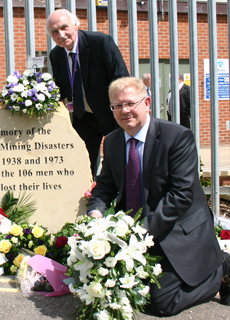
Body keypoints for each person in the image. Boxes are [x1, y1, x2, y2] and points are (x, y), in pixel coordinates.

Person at [87, 76, 228, 316]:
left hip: (175, 231)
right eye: (117, 106)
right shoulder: (112, 142)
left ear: (147, 103)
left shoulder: (177, 137)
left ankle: (221, 267)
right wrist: (95, 213)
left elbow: (181, 196)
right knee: (118, 293)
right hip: (136, 233)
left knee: (161, 303)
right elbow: (104, 186)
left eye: (130, 103)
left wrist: (139, 232)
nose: (125, 110)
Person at [46, 9, 129, 178]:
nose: (61, 34)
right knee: (82, 164)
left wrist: (122, 110)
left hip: (111, 114)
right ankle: (89, 197)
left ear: (76, 24)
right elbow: (60, 87)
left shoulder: (101, 42)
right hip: (83, 117)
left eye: (64, 27)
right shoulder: (56, 54)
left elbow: (121, 79)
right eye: (55, 32)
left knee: (118, 160)